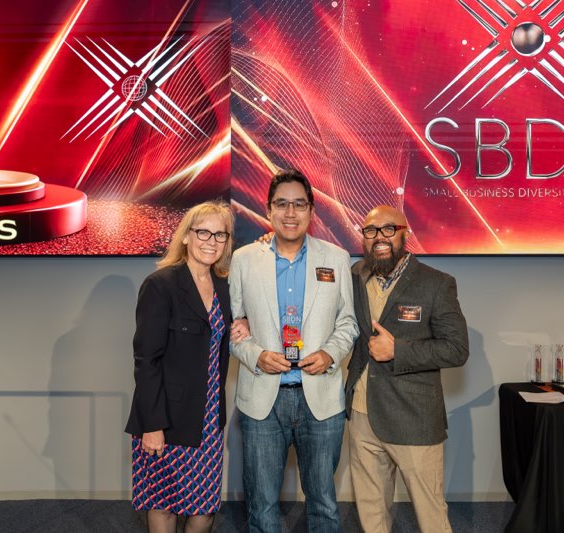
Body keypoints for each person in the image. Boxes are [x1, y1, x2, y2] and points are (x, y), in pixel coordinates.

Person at [229, 169, 358, 532]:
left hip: (321, 400)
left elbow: (348, 323)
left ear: (312, 210)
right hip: (262, 400)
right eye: (282, 204)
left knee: (324, 505)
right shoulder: (243, 260)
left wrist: (330, 353)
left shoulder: (336, 258)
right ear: (268, 209)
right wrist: (256, 355)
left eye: (299, 204)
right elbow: (234, 328)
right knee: (262, 506)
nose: (290, 213)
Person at [125, 201, 249, 533]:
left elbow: (229, 332)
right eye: (203, 232)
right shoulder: (161, 284)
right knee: (164, 506)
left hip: (208, 419)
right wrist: (152, 424)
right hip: (166, 418)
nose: (211, 241)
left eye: (220, 235)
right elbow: (146, 360)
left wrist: (243, 324)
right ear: (185, 236)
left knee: (204, 511)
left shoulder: (225, 287)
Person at [344, 205, 469, 533]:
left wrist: (398, 351)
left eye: (389, 229)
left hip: (414, 418)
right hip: (362, 414)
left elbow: (457, 349)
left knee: (431, 517)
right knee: (371, 514)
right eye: (371, 231)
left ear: (405, 233)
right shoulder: (354, 276)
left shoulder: (437, 283)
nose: (379, 237)